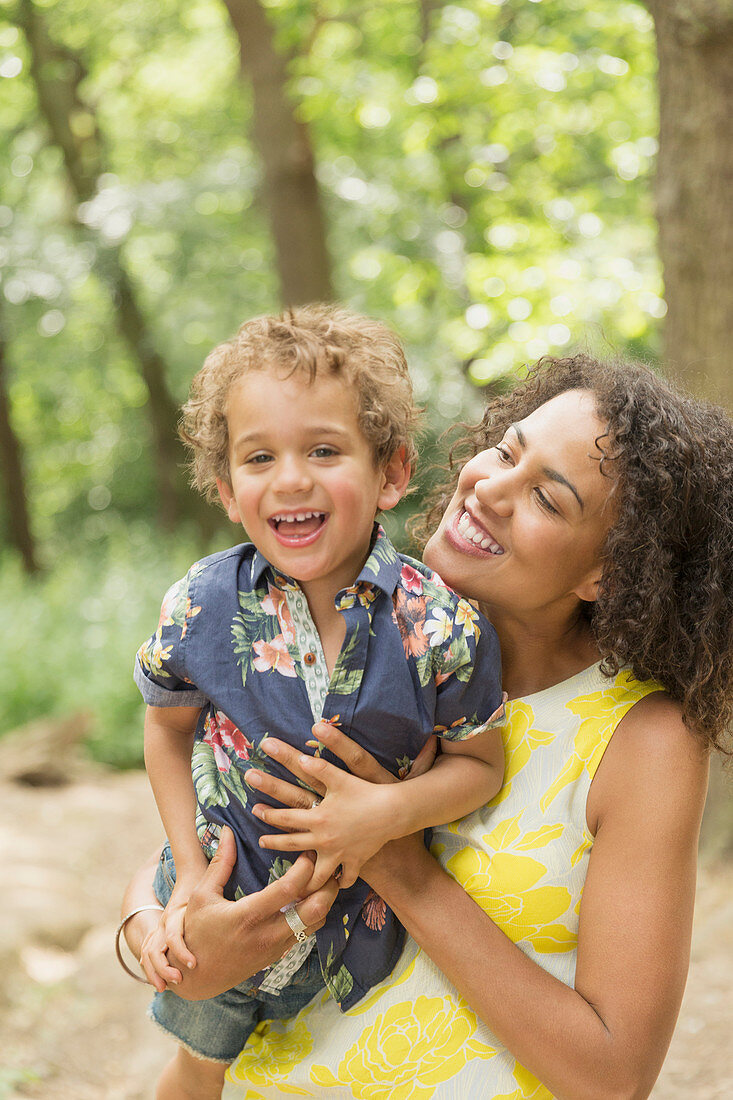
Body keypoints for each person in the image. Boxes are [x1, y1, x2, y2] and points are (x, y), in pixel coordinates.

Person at [120, 352, 733, 1099]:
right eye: (506, 451)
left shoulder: (642, 738)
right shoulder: (365, 618)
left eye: (547, 498)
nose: (491, 488)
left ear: (608, 571)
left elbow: (612, 1076)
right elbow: (216, 844)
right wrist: (156, 936)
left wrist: (397, 860)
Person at [133, 304, 506, 1099]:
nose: (291, 477)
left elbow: (478, 763)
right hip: (212, 909)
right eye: (258, 456)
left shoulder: (440, 625)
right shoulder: (202, 602)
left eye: (325, 450)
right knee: (195, 1071)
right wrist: (191, 874)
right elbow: (166, 731)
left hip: (355, 940)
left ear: (392, 474)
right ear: (228, 490)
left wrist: (386, 813)